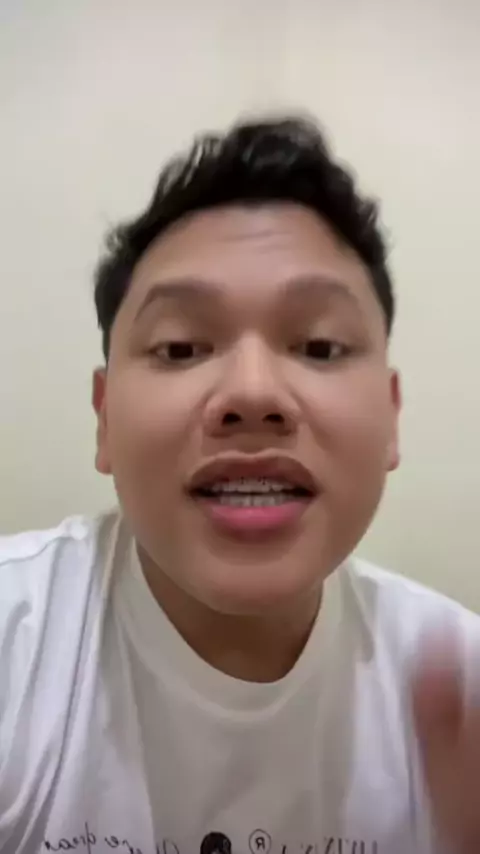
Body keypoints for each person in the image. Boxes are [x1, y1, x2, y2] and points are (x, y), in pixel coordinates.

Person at [0, 115, 479, 854]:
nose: (252, 393)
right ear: (104, 418)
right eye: (181, 347)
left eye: (319, 345)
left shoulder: (460, 689)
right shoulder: (14, 644)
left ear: (391, 418)